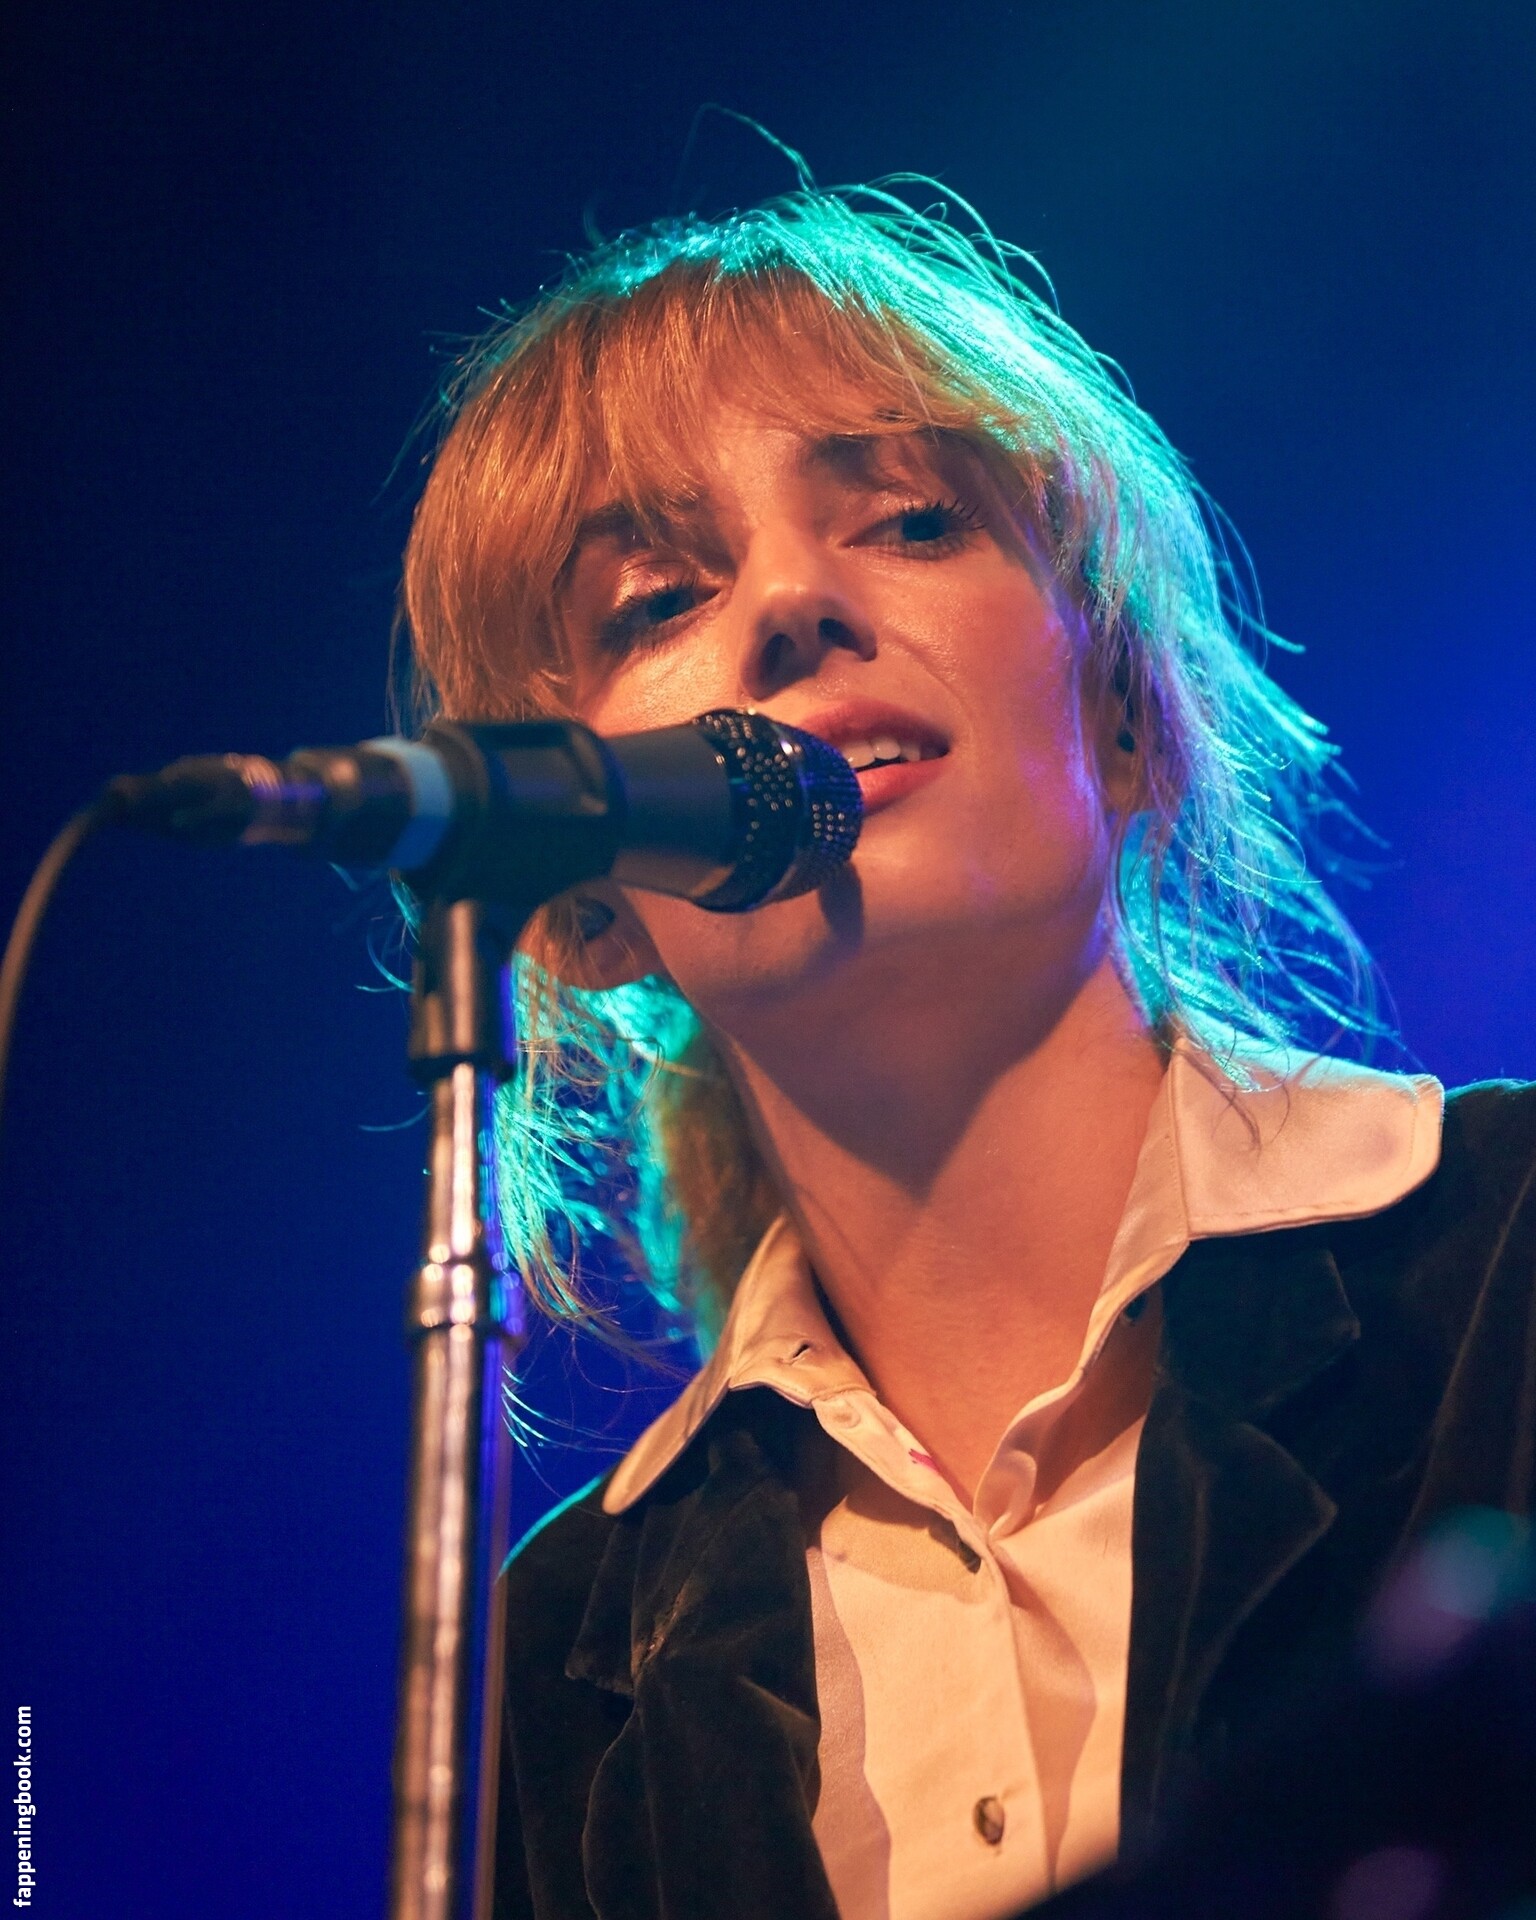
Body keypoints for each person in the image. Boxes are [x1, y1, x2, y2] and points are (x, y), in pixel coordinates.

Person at [397, 183, 1536, 1920]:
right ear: (587, 902)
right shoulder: (565, 1673)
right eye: (659, 600)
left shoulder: (1508, 1264)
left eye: (912, 520)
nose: (792, 602)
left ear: (1126, 709)